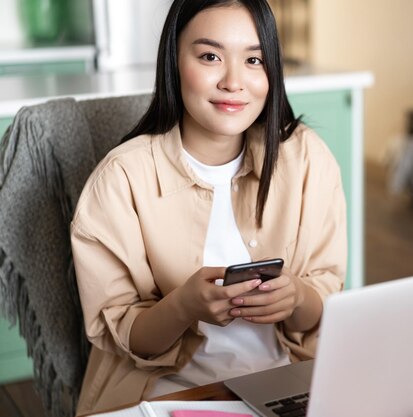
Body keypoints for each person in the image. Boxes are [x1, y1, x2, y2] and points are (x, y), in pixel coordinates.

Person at [70, 0, 347, 414]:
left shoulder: (306, 158)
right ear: (173, 62)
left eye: (254, 59)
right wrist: (183, 306)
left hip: (288, 383)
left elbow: (325, 305)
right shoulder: (120, 179)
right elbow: (126, 339)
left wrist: (297, 298)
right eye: (210, 56)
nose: (234, 82)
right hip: (169, 393)